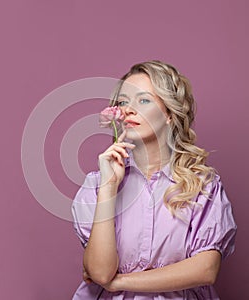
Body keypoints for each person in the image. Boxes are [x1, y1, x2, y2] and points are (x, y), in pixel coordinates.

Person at [71, 60, 237, 299]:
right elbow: (100, 272)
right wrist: (109, 188)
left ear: (169, 114)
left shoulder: (202, 184)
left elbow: (206, 269)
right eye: (123, 102)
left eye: (144, 100)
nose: (128, 109)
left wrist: (119, 282)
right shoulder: (97, 184)